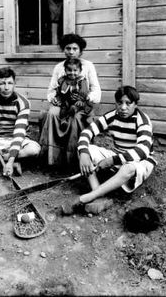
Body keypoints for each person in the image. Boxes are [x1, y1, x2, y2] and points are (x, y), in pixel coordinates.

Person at [61, 85, 157, 215]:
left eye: (128, 103)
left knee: (128, 168)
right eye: (119, 103)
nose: (123, 107)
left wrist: (111, 160)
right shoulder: (112, 116)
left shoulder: (142, 121)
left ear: (136, 104)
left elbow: (143, 151)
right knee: (87, 149)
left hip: (140, 162)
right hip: (119, 156)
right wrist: (83, 153)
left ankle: (88, 197)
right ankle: (100, 197)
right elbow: (87, 132)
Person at [39, 33, 101, 167]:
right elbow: (51, 89)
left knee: (76, 117)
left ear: (80, 50)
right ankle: (53, 159)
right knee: (52, 113)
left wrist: (85, 98)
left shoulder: (88, 66)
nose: (71, 52)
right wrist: (53, 99)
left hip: (82, 103)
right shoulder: (59, 67)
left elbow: (96, 90)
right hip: (63, 102)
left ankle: (73, 160)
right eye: (68, 48)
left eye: (75, 48)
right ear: (63, 49)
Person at [55, 58, 93, 128]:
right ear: (65, 70)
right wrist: (58, 99)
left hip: (78, 101)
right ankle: (63, 120)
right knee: (63, 107)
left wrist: (80, 100)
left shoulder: (81, 80)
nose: (72, 73)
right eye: (69, 70)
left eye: (75, 70)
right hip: (66, 101)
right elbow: (59, 91)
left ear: (80, 71)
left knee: (75, 107)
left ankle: (72, 112)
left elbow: (84, 91)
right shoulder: (63, 80)